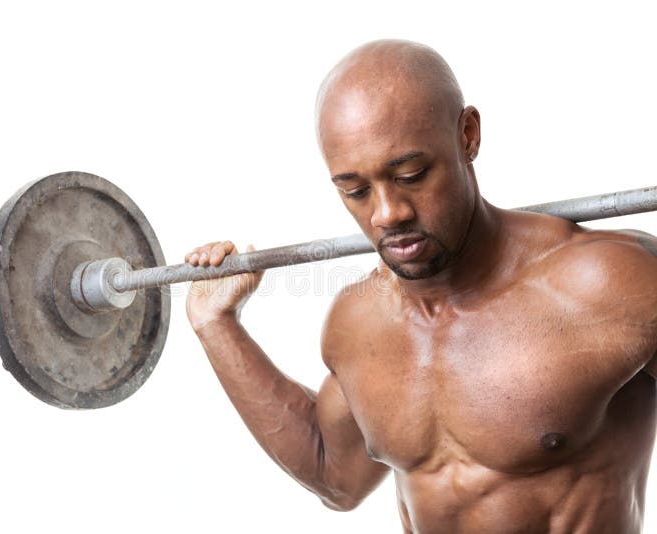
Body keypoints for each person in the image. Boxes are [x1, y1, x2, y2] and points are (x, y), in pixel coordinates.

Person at [183, 39, 657, 533]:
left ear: (468, 136)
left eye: (410, 175)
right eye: (356, 191)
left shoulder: (608, 283)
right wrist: (217, 325)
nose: (388, 214)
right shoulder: (357, 322)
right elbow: (334, 474)